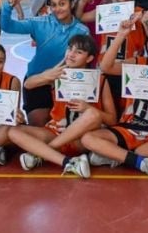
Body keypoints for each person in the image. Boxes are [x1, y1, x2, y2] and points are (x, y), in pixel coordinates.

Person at [81, 22, 148, 178]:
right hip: (126, 127)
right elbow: (105, 67)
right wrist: (121, 35)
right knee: (88, 138)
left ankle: (117, 156)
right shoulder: (138, 62)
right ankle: (141, 162)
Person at [10, 35, 117, 178]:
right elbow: (28, 84)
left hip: (81, 139)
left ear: (89, 58)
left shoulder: (100, 80)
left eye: (78, 52)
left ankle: (43, 153)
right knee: (13, 132)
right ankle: (68, 162)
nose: (71, 54)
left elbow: (112, 119)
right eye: (69, 49)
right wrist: (46, 76)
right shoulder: (58, 75)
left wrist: (87, 108)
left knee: (93, 114)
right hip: (55, 132)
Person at [1, 0, 90, 127]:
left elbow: (84, 62)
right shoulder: (39, 23)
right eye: (53, 5)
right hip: (37, 80)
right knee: (39, 125)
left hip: (65, 84)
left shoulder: (82, 31)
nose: (57, 9)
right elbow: (8, 27)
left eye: (62, 3)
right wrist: (8, 7)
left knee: (65, 125)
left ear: (71, 4)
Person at [74, 0, 148, 113]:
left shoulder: (140, 13)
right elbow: (81, 17)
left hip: (127, 69)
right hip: (104, 68)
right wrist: (83, 1)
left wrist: (146, 23)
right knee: (107, 108)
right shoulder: (105, 11)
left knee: (124, 109)